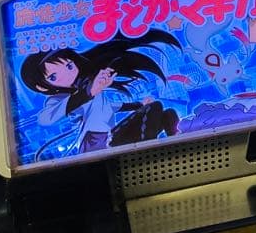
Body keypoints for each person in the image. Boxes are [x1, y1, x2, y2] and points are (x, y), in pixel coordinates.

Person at [20, 30, 180, 153]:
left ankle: (177, 145)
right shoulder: (58, 99)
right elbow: (45, 118)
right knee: (155, 108)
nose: (67, 74)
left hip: (110, 138)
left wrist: (139, 105)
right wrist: (90, 91)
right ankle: (148, 153)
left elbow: (110, 106)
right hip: (95, 145)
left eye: (69, 66)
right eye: (53, 76)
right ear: (42, 86)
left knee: (168, 114)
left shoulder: (86, 87)